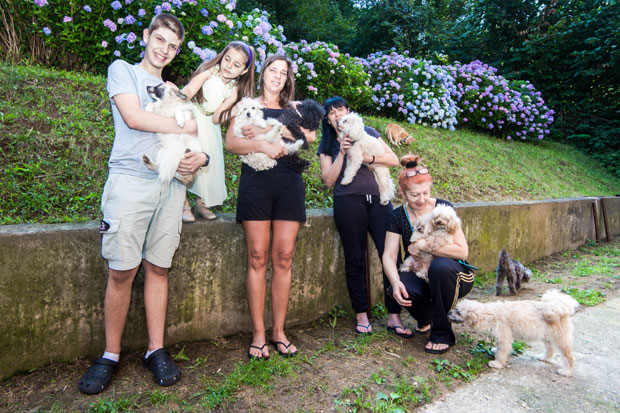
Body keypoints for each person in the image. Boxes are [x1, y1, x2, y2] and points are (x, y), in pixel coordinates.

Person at [78, 14, 207, 394]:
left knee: (159, 268)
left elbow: (196, 139)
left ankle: (156, 350)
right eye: (160, 40)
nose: (164, 50)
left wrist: (200, 156)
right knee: (122, 272)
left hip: (172, 186)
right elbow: (134, 118)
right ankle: (110, 355)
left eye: (173, 46)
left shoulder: (173, 89)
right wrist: (186, 127)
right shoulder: (124, 71)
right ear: (147, 36)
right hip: (131, 183)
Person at [225, 54, 316, 360]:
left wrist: (266, 130)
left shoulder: (295, 108)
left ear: (288, 78)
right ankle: (259, 334)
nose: (277, 76)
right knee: (257, 257)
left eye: (283, 72)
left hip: (289, 183)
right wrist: (263, 144)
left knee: (284, 257)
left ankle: (278, 331)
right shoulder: (246, 104)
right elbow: (232, 143)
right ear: (262, 73)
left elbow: (308, 137)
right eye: (272, 70)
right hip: (256, 184)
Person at [317, 97, 410, 337]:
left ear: (348, 111)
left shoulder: (367, 132)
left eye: (340, 109)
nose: (337, 114)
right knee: (355, 257)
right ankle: (361, 314)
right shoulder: (326, 143)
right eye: (331, 112)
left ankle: (394, 315)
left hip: (380, 201)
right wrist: (342, 152)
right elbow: (328, 180)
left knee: (391, 255)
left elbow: (393, 159)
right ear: (328, 120)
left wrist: (369, 159)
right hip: (348, 201)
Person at [382, 154, 474, 354]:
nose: (421, 199)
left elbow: (462, 250)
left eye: (426, 193)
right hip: (422, 271)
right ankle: (428, 318)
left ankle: (442, 333)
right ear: (403, 192)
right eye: (415, 195)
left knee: (440, 267)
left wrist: (424, 245)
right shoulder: (397, 216)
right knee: (402, 285)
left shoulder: (443, 209)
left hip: (454, 274)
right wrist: (395, 283)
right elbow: (388, 256)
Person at [179, 41, 256, 222]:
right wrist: (178, 96)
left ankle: (201, 204)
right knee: (184, 157)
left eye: (236, 65)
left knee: (208, 165)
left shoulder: (234, 90)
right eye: (227, 59)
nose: (229, 66)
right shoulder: (209, 71)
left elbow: (216, 118)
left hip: (208, 124)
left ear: (244, 70)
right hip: (190, 115)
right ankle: (183, 205)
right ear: (222, 57)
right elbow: (190, 89)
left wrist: (233, 111)